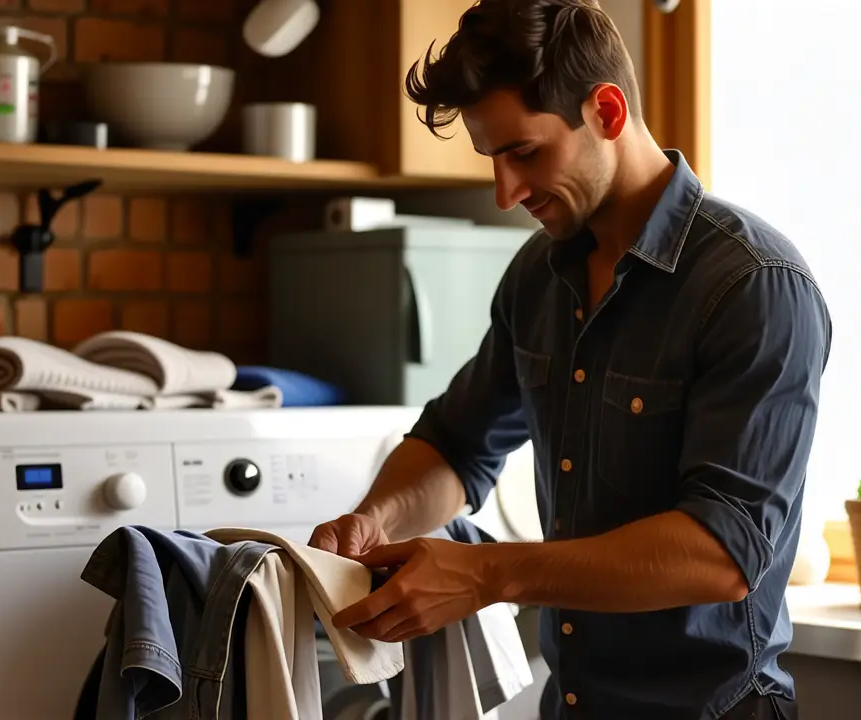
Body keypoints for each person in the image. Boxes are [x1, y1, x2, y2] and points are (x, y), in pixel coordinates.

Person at [309, 1, 831, 717]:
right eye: (492, 159)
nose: (506, 193)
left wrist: (487, 574)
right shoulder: (537, 275)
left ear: (606, 111)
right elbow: (457, 444)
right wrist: (374, 520)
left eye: (524, 153)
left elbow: (722, 552)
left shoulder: (754, 285)